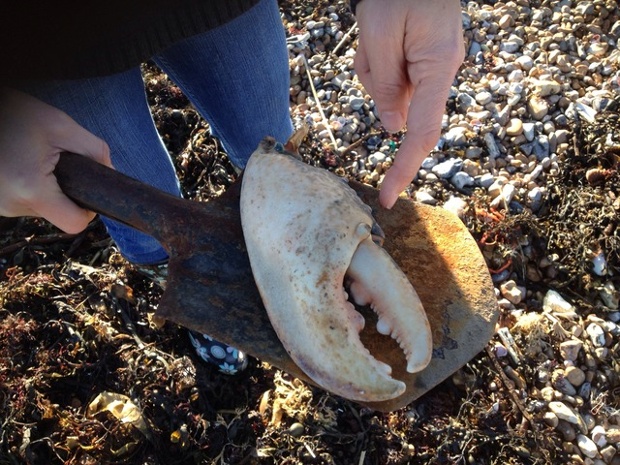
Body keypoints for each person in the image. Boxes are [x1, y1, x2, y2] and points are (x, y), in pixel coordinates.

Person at [0, 0, 463, 372]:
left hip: (224, 9)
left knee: (269, 143)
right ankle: (187, 286)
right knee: (140, 208)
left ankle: (308, 238)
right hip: (48, 39)